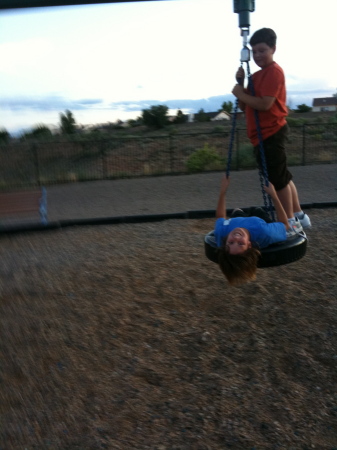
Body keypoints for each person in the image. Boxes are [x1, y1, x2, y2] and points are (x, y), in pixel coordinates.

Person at [231, 27, 311, 229]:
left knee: (278, 181)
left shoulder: (274, 72)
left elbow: (265, 104)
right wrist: (241, 84)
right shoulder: (256, 76)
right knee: (282, 177)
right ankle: (299, 215)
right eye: (254, 51)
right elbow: (244, 104)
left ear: (273, 49)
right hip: (261, 135)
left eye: (262, 50)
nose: (257, 56)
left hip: (271, 132)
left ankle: (290, 222)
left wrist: (240, 93)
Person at [214, 175, 304, 286]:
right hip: (258, 222)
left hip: (237, 221)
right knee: (258, 210)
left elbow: (220, 216)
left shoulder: (221, 233)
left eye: (231, 242)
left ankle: (239, 214)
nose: (236, 237)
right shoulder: (264, 232)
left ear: (225, 241)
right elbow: (285, 224)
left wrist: (223, 191)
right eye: (241, 243)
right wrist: (274, 195)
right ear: (249, 244)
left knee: (237, 212)